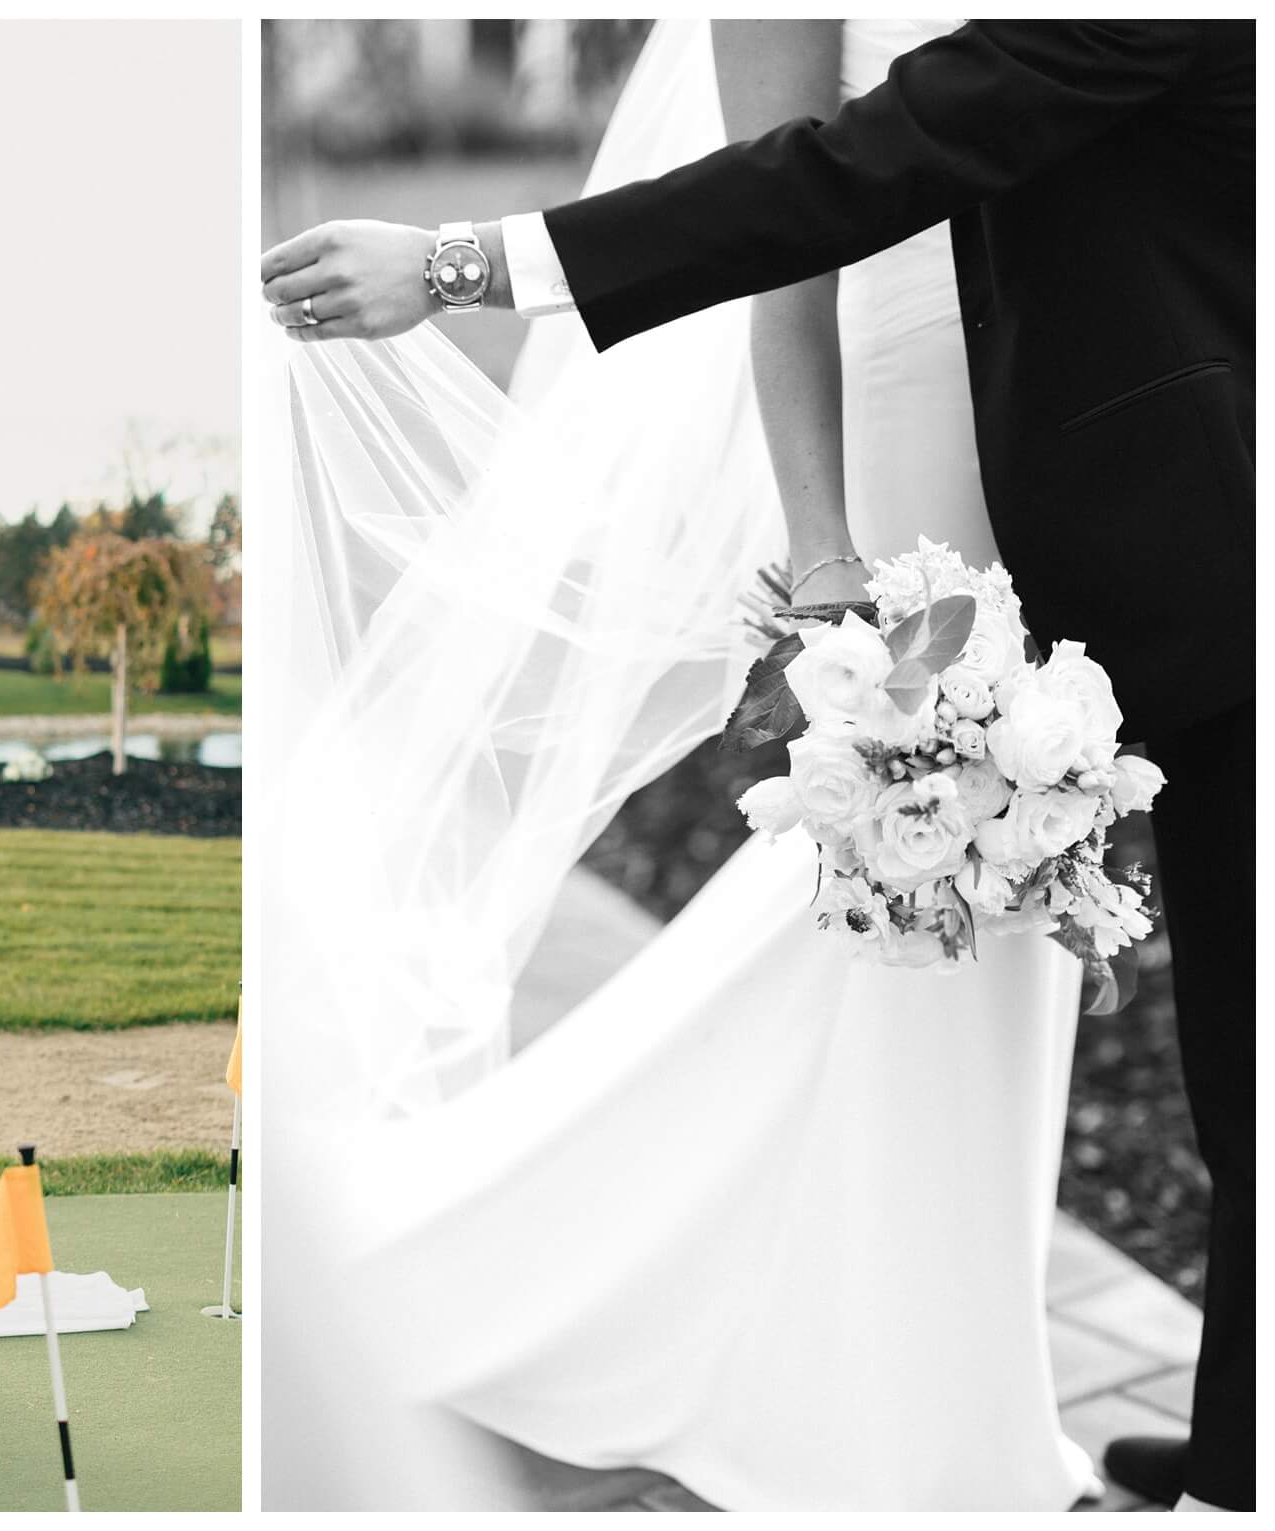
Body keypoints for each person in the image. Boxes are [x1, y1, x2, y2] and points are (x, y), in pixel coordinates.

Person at [262, 18, 1248, 1511]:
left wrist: (464, 263)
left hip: (1151, 430)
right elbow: (800, 193)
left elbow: (894, 151)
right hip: (982, 411)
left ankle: (1184, 1431)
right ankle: (1081, 1412)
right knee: (1011, 928)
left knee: (1149, 978)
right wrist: (824, 544)